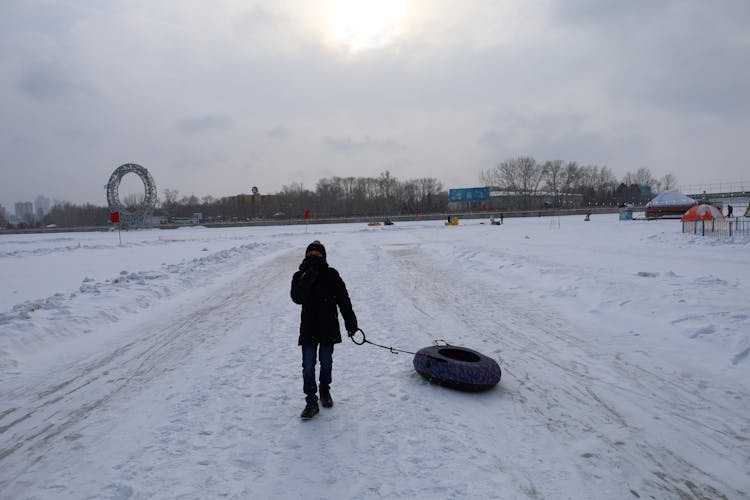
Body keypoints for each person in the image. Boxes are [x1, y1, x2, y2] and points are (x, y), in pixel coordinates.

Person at [291, 240, 358, 419]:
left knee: (326, 363)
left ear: (323, 255)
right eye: (310, 252)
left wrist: (351, 324)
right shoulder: (299, 275)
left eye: (317, 252)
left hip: (328, 327)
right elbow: (297, 298)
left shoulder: (331, 274)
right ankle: (311, 402)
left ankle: (324, 390)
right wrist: (308, 277)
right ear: (306, 255)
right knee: (307, 367)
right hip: (308, 328)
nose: (314, 255)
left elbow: (344, 300)